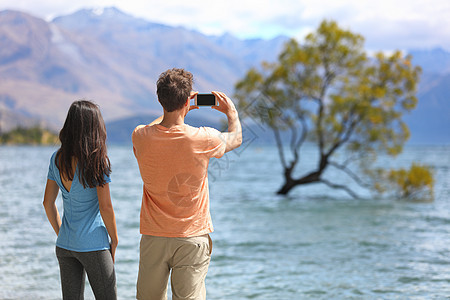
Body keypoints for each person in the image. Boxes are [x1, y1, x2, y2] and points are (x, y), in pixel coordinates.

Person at [132, 68, 242, 300]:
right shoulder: (204, 138)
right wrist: (231, 111)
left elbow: (157, 124)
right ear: (186, 100)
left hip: (154, 236)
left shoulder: (140, 136)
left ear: (160, 99)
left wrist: (174, 111)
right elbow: (236, 138)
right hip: (192, 236)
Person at [42, 100, 118, 300]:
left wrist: (62, 233)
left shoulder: (56, 159)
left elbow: (47, 203)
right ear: (95, 128)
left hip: (65, 245)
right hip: (94, 245)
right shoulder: (98, 162)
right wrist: (115, 240)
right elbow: (106, 207)